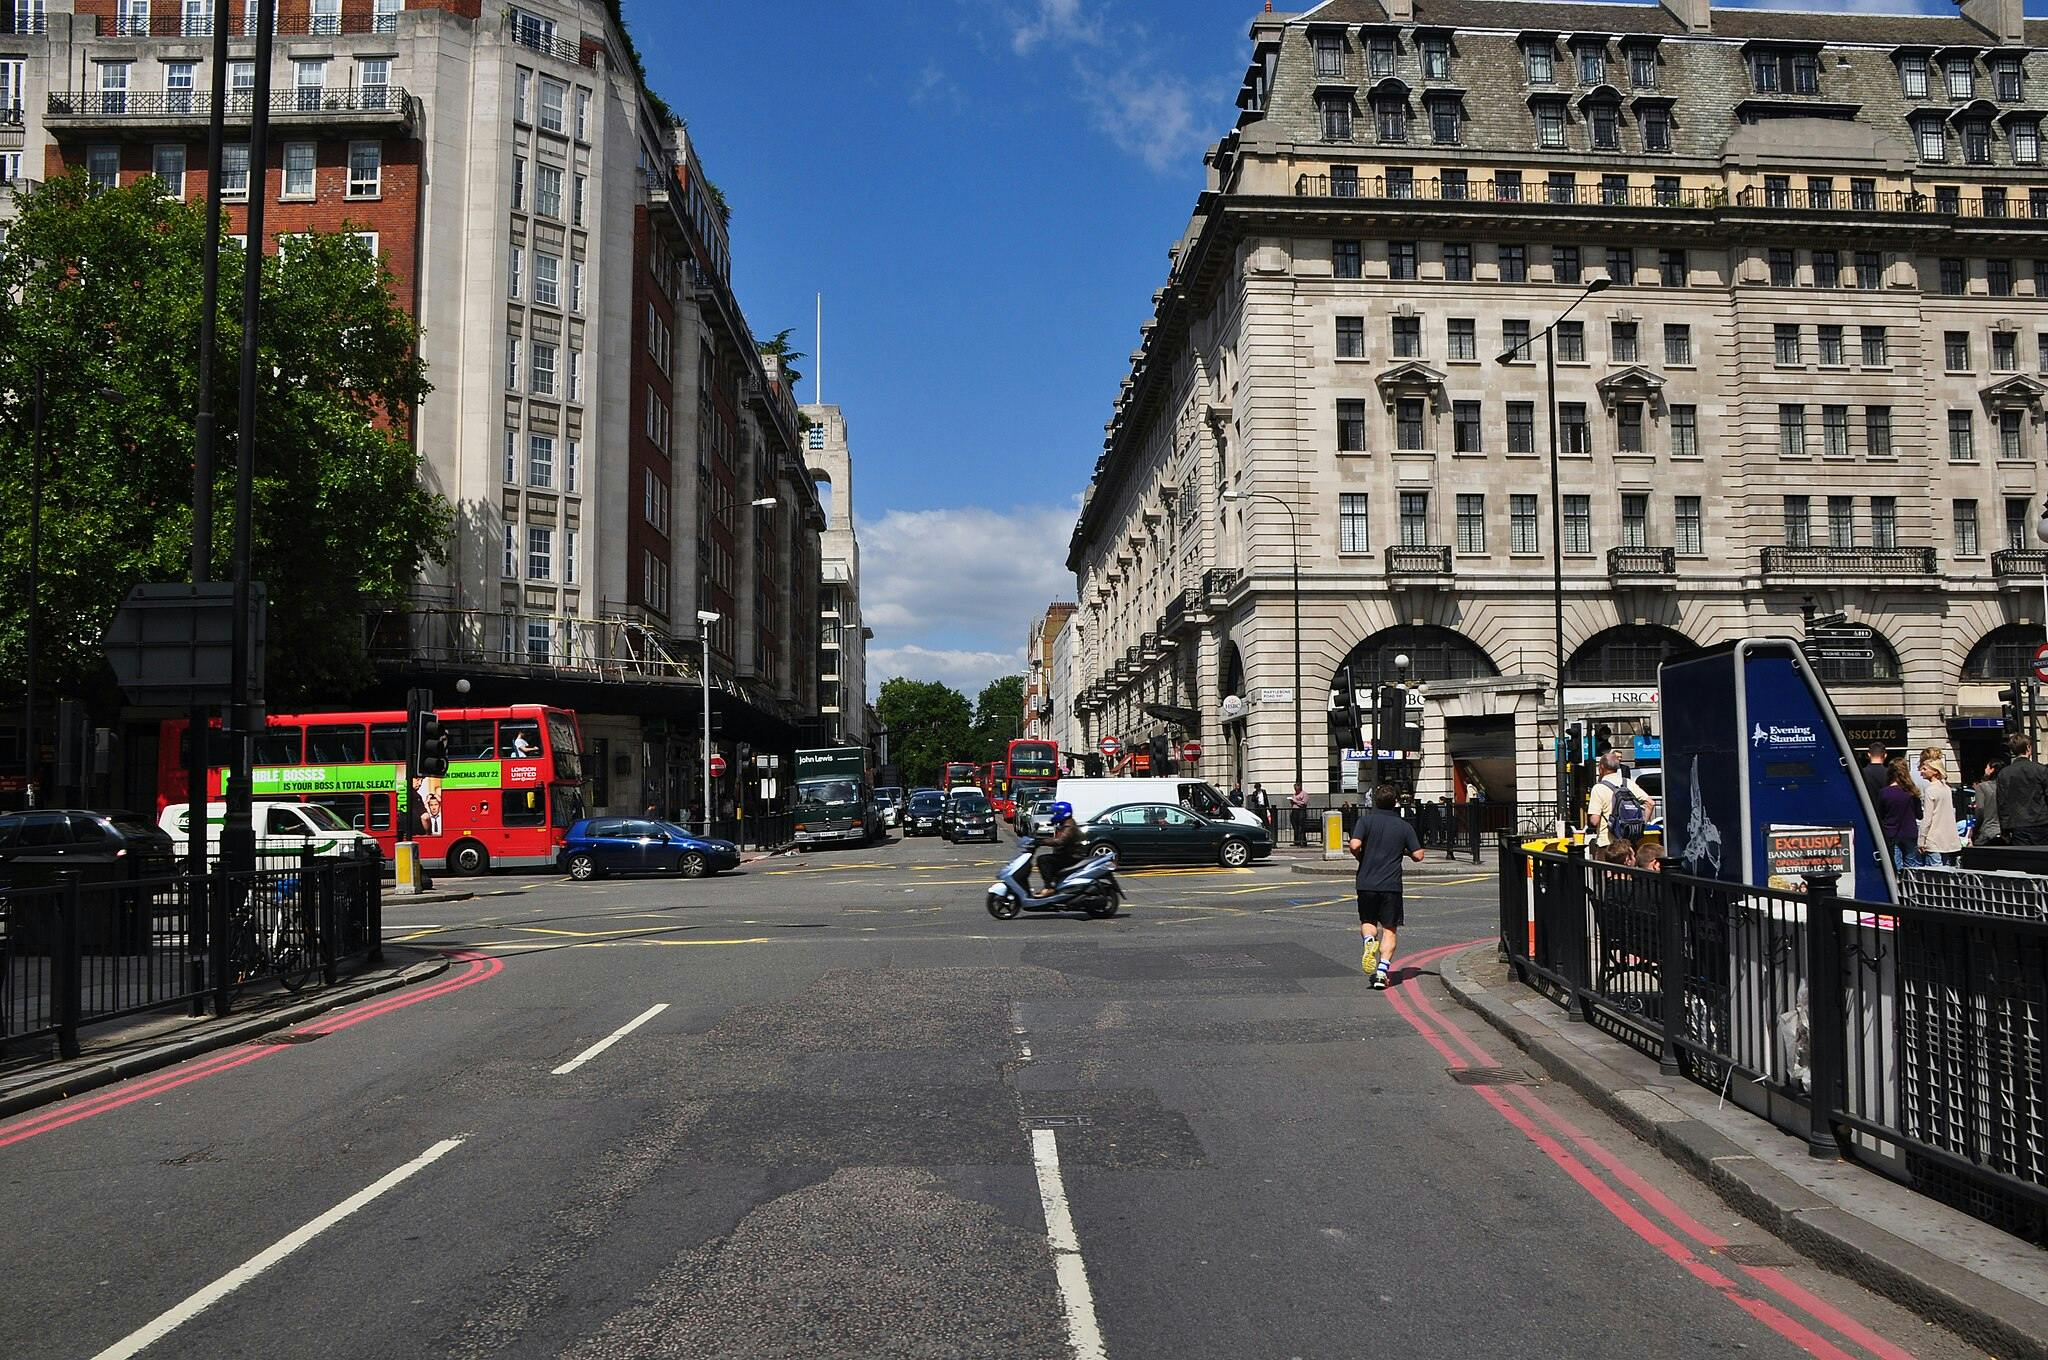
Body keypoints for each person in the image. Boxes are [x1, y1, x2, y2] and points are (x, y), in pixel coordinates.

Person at [1348, 783, 1424, 991]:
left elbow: (1354, 844)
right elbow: (1419, 855)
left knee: (1368, 921)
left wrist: (1360, 856)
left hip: (1366, 882)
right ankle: (1382, 972)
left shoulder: (1365, 821)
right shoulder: (1404, 826)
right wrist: (1405, 851)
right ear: (1396, 803)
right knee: (1390, 929)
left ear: (1375, 802)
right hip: (1391, 884)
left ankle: (1369, 941)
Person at [1586, 751, 1655, 852]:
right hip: (1629, 844)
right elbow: (1651, 803)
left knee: (1606, 867)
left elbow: (1595, 821)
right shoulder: (1628, 783)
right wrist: (1642, 823)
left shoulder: (1598, 788)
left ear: (1601, 768)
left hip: (1608, 844)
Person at [1997, 737, 2048, 845]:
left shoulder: (2004, 774)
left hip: (2018, 824)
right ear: (2028, 748)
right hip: (2042, 822)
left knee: (2024, 860)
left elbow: (2002, 804)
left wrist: (2004, 829)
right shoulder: (2041, 770)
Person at [1916, 751, 1961, 867]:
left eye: (1925, 769)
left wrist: (1921, 840)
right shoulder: (1946, 788)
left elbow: (1927, 818)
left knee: (1936, 872)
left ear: (1935, 771)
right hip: (1947, 838)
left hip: (1933, 838)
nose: (1921, 772)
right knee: (1947, 870)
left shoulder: (1930, 790)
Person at [1877, 758, 1921, 871]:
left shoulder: (1884, 792)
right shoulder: (1912, 792)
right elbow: (1919, 815)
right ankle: (1911, 887)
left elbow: (1880, 814)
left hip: (1891, 832)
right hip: (1910, 831)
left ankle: (1898, 886)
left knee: (1896, 866)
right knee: (1912, 866)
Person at [1032, 801, 1083, 896]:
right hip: (1065, 855)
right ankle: (1055, 885)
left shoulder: (1069, 826)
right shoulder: (1065, 824)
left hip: (1071, 857)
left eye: (1056, 813)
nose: (1054, 815)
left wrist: (1042, 842)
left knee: (1043, 860)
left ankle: (1049, 887)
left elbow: (1060, 841)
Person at [1973, 760, 2003, 846]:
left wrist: (1976, 829)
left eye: (1987, 767)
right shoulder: (2005, 787)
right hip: (2003, 831)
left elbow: (1980, 808)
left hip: (1987, 831)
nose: (1985, 769)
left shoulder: (1982, 787)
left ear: (1992, 770)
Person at [1859, 742, 1892, 806]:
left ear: (1869, 754)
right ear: (1885, 755)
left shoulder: (1861, 773)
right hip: (1885, 810)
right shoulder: (1890, 773)